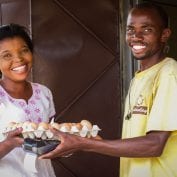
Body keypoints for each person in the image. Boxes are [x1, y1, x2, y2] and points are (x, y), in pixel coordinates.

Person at [40, 2, 177, 177]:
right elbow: (138, 143)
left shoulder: (169, 74)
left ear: (164, 34)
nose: (136, 36)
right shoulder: (139, 77)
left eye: (147, 29)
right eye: (130, 29)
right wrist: (95, 142)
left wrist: (85, 144)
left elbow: (155, 145)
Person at [0, 24, 56, 177]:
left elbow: (50, 140)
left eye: (24, 50)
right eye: (7, 55)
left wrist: (67, 144)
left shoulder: (44, 93)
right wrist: (9, 143)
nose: (18, 59)